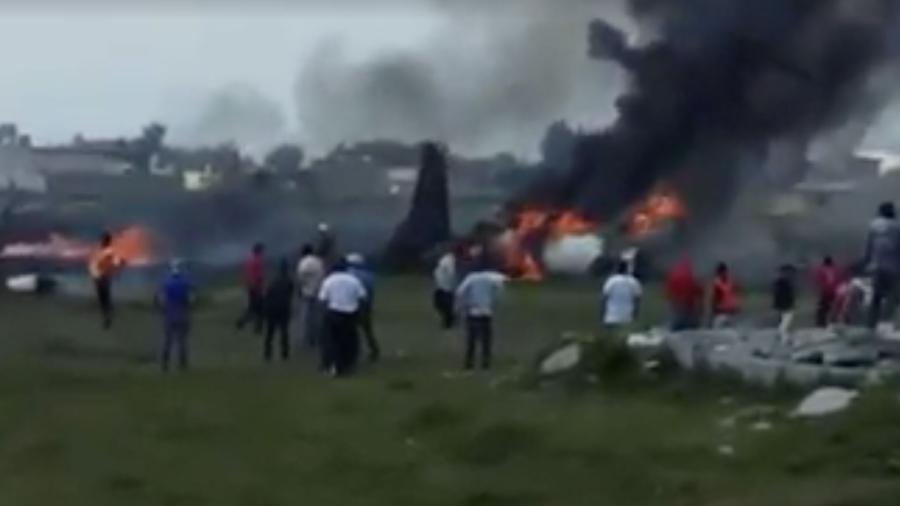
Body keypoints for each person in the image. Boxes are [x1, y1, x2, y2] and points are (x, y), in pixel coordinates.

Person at [318, 259, 368, 376]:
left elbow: (323, 299)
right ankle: (349, 364)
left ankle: (334, 364)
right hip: (350, 314)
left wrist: (325, 313)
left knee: (332, 341)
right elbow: (362, 298)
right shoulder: (354, 280)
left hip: (334, 313)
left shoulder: (329, 280)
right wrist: (359, 312)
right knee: (349, 341)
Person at [455, 262, 506, 370]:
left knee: (471, 340)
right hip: (486, 312)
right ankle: (485, 363)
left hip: (473, 312)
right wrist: (494, 303)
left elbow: (460, 292)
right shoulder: (492, 279)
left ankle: (469, 363)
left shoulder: (471, 278)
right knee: (486, 340)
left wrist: (463, 305)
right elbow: (500, 291)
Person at [863, 202, 900, 330]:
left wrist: (867, 263)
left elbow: (869, 247)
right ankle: (886, 322)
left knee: (876, 297)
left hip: (876, 267)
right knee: (893, 296)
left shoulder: (873, 226)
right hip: (894, 268)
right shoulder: (897, 227)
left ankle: (871, 325)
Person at [156, 259, 193, 372]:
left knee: (168, 341)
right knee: (182, 341)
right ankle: (183, 364)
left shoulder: (165, 283)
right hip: (182, 314)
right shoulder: (185, 283)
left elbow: (161, 300)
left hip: (170, 315)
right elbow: (191, 299)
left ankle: (165, 364)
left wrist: (163, 309)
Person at [347, 253, 380, 362]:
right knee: (367, 329)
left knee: (351, 329)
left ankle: (353, 352)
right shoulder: (369, 275)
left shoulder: (349, 274)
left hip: (352, 304)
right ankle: (374, 349)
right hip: (366, 304)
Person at [88, 231, 123, 329]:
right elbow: (114, 263)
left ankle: (107, 318)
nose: (101, 241)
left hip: (103, 278)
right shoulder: (102, 251)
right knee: (103, 299)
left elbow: (113, 263)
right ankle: (108, 315)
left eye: (103, 239)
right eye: (102, 239)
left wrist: (119, 263)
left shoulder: (109, 252)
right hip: (100, 277)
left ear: (106, 241)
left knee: (104, 298)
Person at [264, 260, 295, 362]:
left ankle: (267, 353)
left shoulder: (273, 281)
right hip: (283, 308)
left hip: (271, 308)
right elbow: (290, 295)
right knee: (284, 331)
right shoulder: (289, 281)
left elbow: (267, 294)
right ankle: (284, 354)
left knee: (270, 332)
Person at [296, 244, 326, 348]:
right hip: (318, 292)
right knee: (317, 317)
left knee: (305, 317)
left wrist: (300, 288)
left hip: (307, 293)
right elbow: (323, 276)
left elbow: (300, 277)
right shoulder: (319, 261)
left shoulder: (304, 262)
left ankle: (306, 340)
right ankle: (317, 338)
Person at [602, 260, 643, 329]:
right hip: (628, 316)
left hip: (611, 317)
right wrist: (636, 313)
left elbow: (604, 297)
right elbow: (637, 299)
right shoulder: (633, 281)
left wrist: (602, 313)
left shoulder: (611, 281)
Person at [665, 258, 703, 331]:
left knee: (676, 325)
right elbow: (697, 291)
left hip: (676, 305)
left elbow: (668, 291)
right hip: (687, 306)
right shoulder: (690, 276)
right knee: (690, 326)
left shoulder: (674, 275)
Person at [236, 243, 265, 334]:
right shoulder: (257, 261)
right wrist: (261, 287)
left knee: (253, 309)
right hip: (256, 287)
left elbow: (246, 274)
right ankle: (257, 328)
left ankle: (241, 322)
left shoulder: (248, 260)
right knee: (259, 309)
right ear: (259, 251)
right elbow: (259, 276)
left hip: (249, 287)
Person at [433, 246, 459, 330]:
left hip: (447, 287)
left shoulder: (448, 260)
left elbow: (451, 273)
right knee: (439, 304)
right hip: (442, 285)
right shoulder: (445, 259)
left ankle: (448, 322)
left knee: (445, 305)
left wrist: (453, 284)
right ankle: (451, 319)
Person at [813, 256, 842, 328]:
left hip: (825, 291)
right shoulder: (835, 270)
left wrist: (819, 288)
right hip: (833, 291)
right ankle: (832, 321)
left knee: (823, 307)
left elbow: (818, 280)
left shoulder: (821, 269)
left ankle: (821, 322)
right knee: (830, 306)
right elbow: (838, 280)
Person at [773, 264, 796, 346]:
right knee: (784, 324)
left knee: (784, 323)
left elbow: (790, 295)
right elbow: (778, 295)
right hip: (784, 306)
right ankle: (784, 339)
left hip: (785, 305)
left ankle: (784, 338)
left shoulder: (786, 282)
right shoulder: (781, 283)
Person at [711, 262, 740, 328]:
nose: (724, 273)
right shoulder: (716, 284)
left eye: (725, 271)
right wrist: (715, 308)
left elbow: (734, 295)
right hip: (721, 312)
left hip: (731, 312)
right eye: (722, 272)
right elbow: (714, 299)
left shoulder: (730, 282)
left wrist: (736, 306)